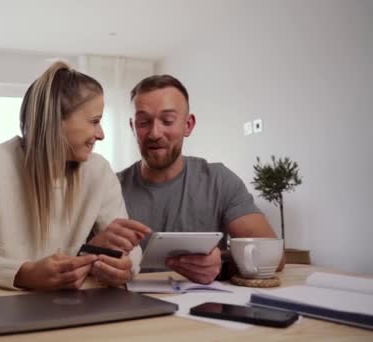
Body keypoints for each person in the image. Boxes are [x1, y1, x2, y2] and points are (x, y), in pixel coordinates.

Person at [0, 61, 150, 290]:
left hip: (77, 308)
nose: (101, 134)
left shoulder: (99, 171)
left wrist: (127, 266)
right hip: (5, 308)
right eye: (94, 121)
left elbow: (131, 250)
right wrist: (26, 274)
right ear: (56, 120)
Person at [97, 74, 284, 284]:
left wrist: (221, 262)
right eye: (143, 122)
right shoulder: (109, 188)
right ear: (132, 127)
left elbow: (274, 257)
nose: (155, 133)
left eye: (167, 121)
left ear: (188, 125)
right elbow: (81, 258)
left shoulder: (219, 181)